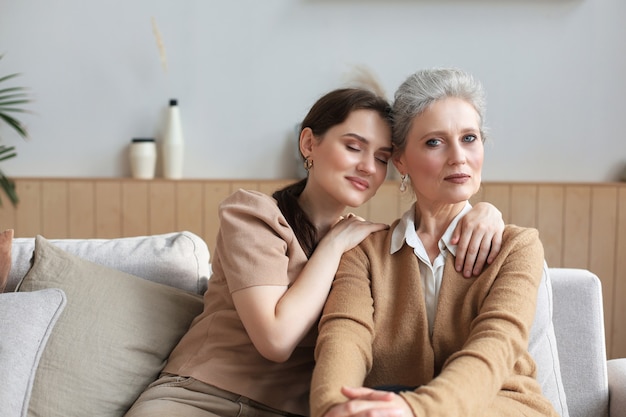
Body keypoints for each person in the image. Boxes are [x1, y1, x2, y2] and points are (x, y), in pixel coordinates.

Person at [125, 87, 504, 417]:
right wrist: (334, 244)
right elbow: (275, 339)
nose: (367, 167)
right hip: (198, 397)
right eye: (353, 147)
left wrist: (487, 212)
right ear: (309, 143)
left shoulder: (368, 247)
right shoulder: (254, 216)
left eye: (382, 157)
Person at [310, 68, 558, 417]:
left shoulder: (517, 247)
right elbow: (343, 339)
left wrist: (417, 410)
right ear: (400, 160)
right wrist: (333, 407)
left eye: (469, 138)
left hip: (501, 408)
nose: (458, 157)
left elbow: (496, 345)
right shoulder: (364, 252)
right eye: (434, 142)